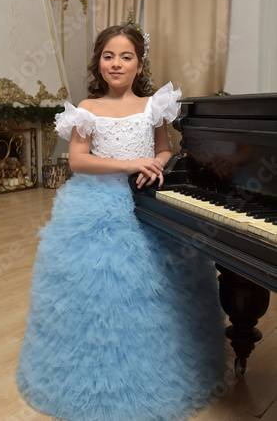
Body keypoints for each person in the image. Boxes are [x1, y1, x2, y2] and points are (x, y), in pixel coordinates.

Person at [16, 25, 226, 421]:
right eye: (109, 55)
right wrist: (131, 163)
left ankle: (154, 376)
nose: (116, 63)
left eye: (126, 56)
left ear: (139, 64)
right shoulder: (88, 107)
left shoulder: (154, 106)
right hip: (95, 204)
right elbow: (78, 160)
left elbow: (164, 150)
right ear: (98, 63)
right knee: (98, 289)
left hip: (148, 202)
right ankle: (88, 377)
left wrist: (155, 165)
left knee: (157, 290)